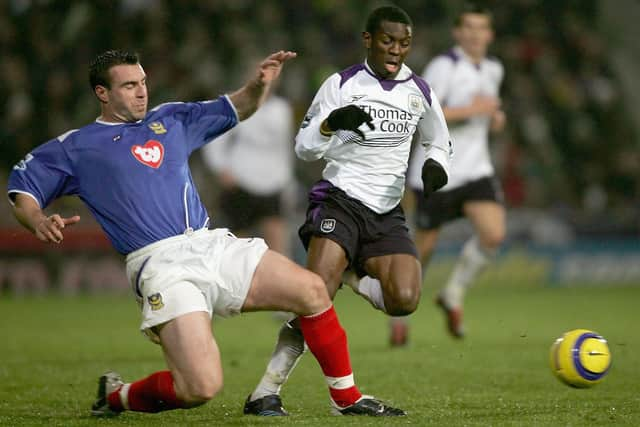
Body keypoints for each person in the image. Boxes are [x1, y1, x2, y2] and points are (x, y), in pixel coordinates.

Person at [6, 49, 404, 418]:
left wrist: (259, 84)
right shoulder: (76, 147)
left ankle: (346, 399)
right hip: (160, 264)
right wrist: (39, 220)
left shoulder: (173, 119)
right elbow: (23, 188)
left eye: (143, 81)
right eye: (129, 85)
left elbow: (238, 107)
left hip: (208, 243)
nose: (141, 91)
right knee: (200, 387)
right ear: (102, 93)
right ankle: (116, 395)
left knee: (313, 292)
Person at [243, 6, 452, 415]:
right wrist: (331, 122)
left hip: (387, 212)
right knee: (314, 298)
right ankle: (266, 391)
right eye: (388, 41)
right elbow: (304, 148)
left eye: (404, 43)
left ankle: (352, 275)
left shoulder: (420, 91)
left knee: (405, 299)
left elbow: (438, 140)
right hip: (339, 200)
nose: (396, 50)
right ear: (368, 39)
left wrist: (435, 166)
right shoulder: (341, 85)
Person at [403, 3, 506, 340]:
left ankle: (453, 293)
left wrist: (495, 118)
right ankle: (399, 312)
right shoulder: (443, 66)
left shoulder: (493, 69)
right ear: (458, 33)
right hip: (438, 169)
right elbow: (423, 112)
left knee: (493, 234)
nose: (476, 34)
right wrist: (471, 110)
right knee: (424, 249)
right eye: (470, 28)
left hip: (476, 168)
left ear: (490, 34)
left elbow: (489, 109)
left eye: (482, 28)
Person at [200, 91, 294, 257]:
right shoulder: (237, 105)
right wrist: (220, 168)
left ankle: (281, 281)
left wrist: (287, 181)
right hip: (241, 180)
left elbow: (285, 147)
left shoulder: (282, 109)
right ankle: (234, 280)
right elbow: (215, 136)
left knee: (277, 238)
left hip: (273, 182)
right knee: (237, 242)